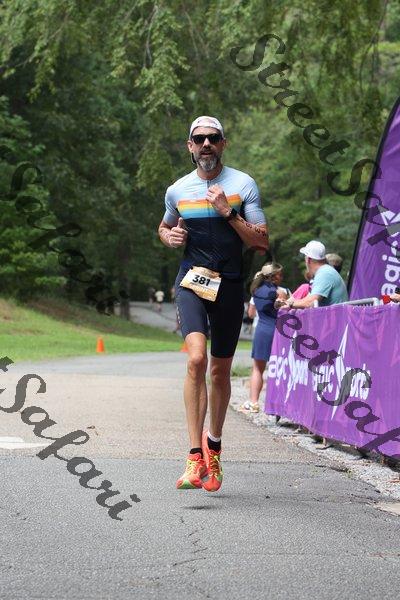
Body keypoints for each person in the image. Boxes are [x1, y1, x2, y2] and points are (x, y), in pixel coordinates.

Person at [158, 115, 268, 491]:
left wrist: (227, 212)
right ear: (190, 146)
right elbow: (165, 225)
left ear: (223, 144)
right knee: (195, 360)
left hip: (230, 285)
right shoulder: (177, 190)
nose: (206, 143)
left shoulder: (242, 185)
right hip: (191, 282)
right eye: (199, 138)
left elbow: (261, 242)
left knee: (220, 372)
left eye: (213, 138)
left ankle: (214, 448)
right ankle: (194, 457)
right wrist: (168, 237)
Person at [239, 263, 282, 413]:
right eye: (280, 274)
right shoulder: (279, 292)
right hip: (278, 330)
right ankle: (277, 404)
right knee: (279, 367)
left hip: (262, 330)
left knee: (257, 368)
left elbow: (251, 314)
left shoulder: (256, 291)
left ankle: (253, 402)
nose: (282, 277)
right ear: (273, 277)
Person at [278, 240, 348, 309]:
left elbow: (311, 302)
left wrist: (289, 304)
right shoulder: (326, 271)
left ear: (308, 259)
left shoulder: (325, 274)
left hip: (336, 316)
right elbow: (310, 300)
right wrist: (287, 302)